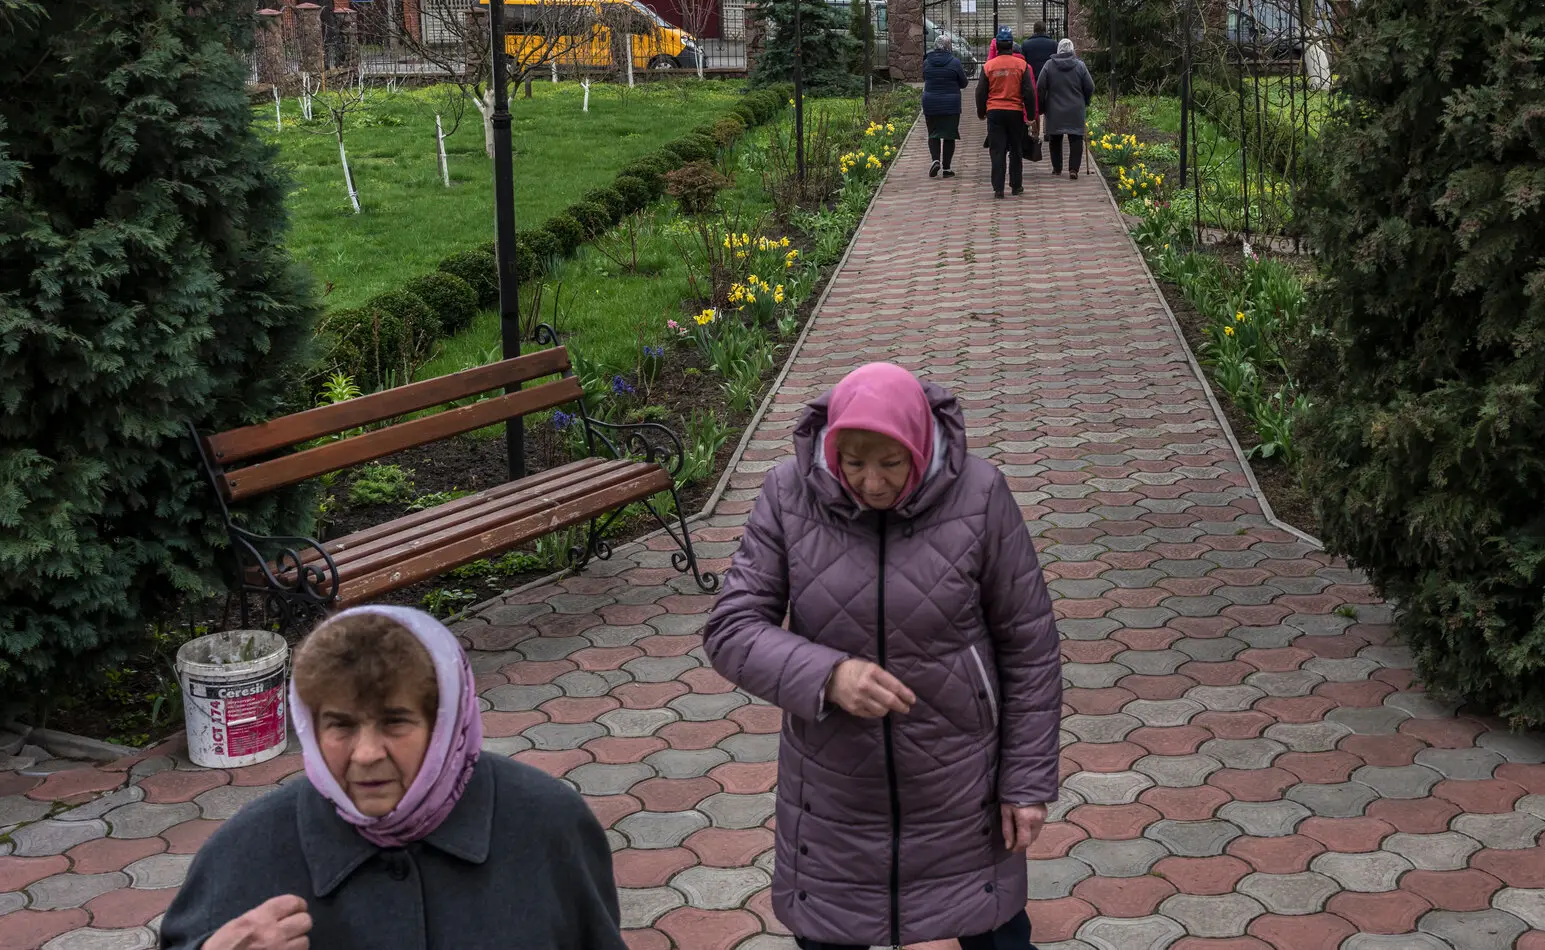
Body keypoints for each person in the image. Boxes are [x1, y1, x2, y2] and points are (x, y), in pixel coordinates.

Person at [706, 362, 1061, 950]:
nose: (871, 484)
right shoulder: (787, 495)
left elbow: (1030, 647)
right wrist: (828, 676)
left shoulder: (980, 494)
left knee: (998, 934)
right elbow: (732, 627)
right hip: (835, 793)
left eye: (891, 463)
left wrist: (1025, 782)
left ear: (920, 445)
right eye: (853, 462)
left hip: (959, 784)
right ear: (830, 446)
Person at [160, 608, 626, 950]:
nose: (365, 754)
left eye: (394, 721)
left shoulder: (547, 824)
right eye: (340, 724)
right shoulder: (247, 849)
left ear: (446, 724)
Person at [975, 33, 1040, 199]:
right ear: (1011, 46)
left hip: (995, 112)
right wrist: (1031, 115)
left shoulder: (989, 66)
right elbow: (1029, 92)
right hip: (1015, 112)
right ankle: (1016, 185)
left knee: (997, 150)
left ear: (997, 47)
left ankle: (998, 188)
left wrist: (981, 112)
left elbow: (981, 91)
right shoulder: (1021, 65)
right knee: (1016, 150)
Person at [1035, 38, 1096, 179]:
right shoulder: (1080, 66)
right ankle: (1073, 169)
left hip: (1054, 108)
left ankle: (1057, 168)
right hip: (1075, 109)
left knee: (1055, 138)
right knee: (1076, 138)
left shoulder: (1049, 65)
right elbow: (1090, 86)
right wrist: (1085, 100)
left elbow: (1040, 87)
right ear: (1072, 50)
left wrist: (1042, 106)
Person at [922, 35, 969, 178]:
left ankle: (935, 160)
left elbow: (925, 77)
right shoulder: (955, 62)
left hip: (930, 102)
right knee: (949, 135)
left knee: (933, 133)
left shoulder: (926, 62)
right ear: (949, 47)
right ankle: (947, 169)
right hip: (951, 105)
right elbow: (964, 83)